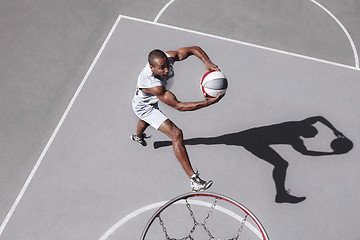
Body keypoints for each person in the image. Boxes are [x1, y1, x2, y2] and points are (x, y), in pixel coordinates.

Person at [131, 46, 223, 191]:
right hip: (143, 107)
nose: (166, 70)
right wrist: (207, 103)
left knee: (148, 122)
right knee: (176, 134)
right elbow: (179, 106)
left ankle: (138, 136)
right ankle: (194, 180)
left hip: (150, 100)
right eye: (162, 68)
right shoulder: (154, 85)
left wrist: (207, 61)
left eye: (166, 65)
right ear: (152, 68)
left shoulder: (168, 58)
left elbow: (193, 49)